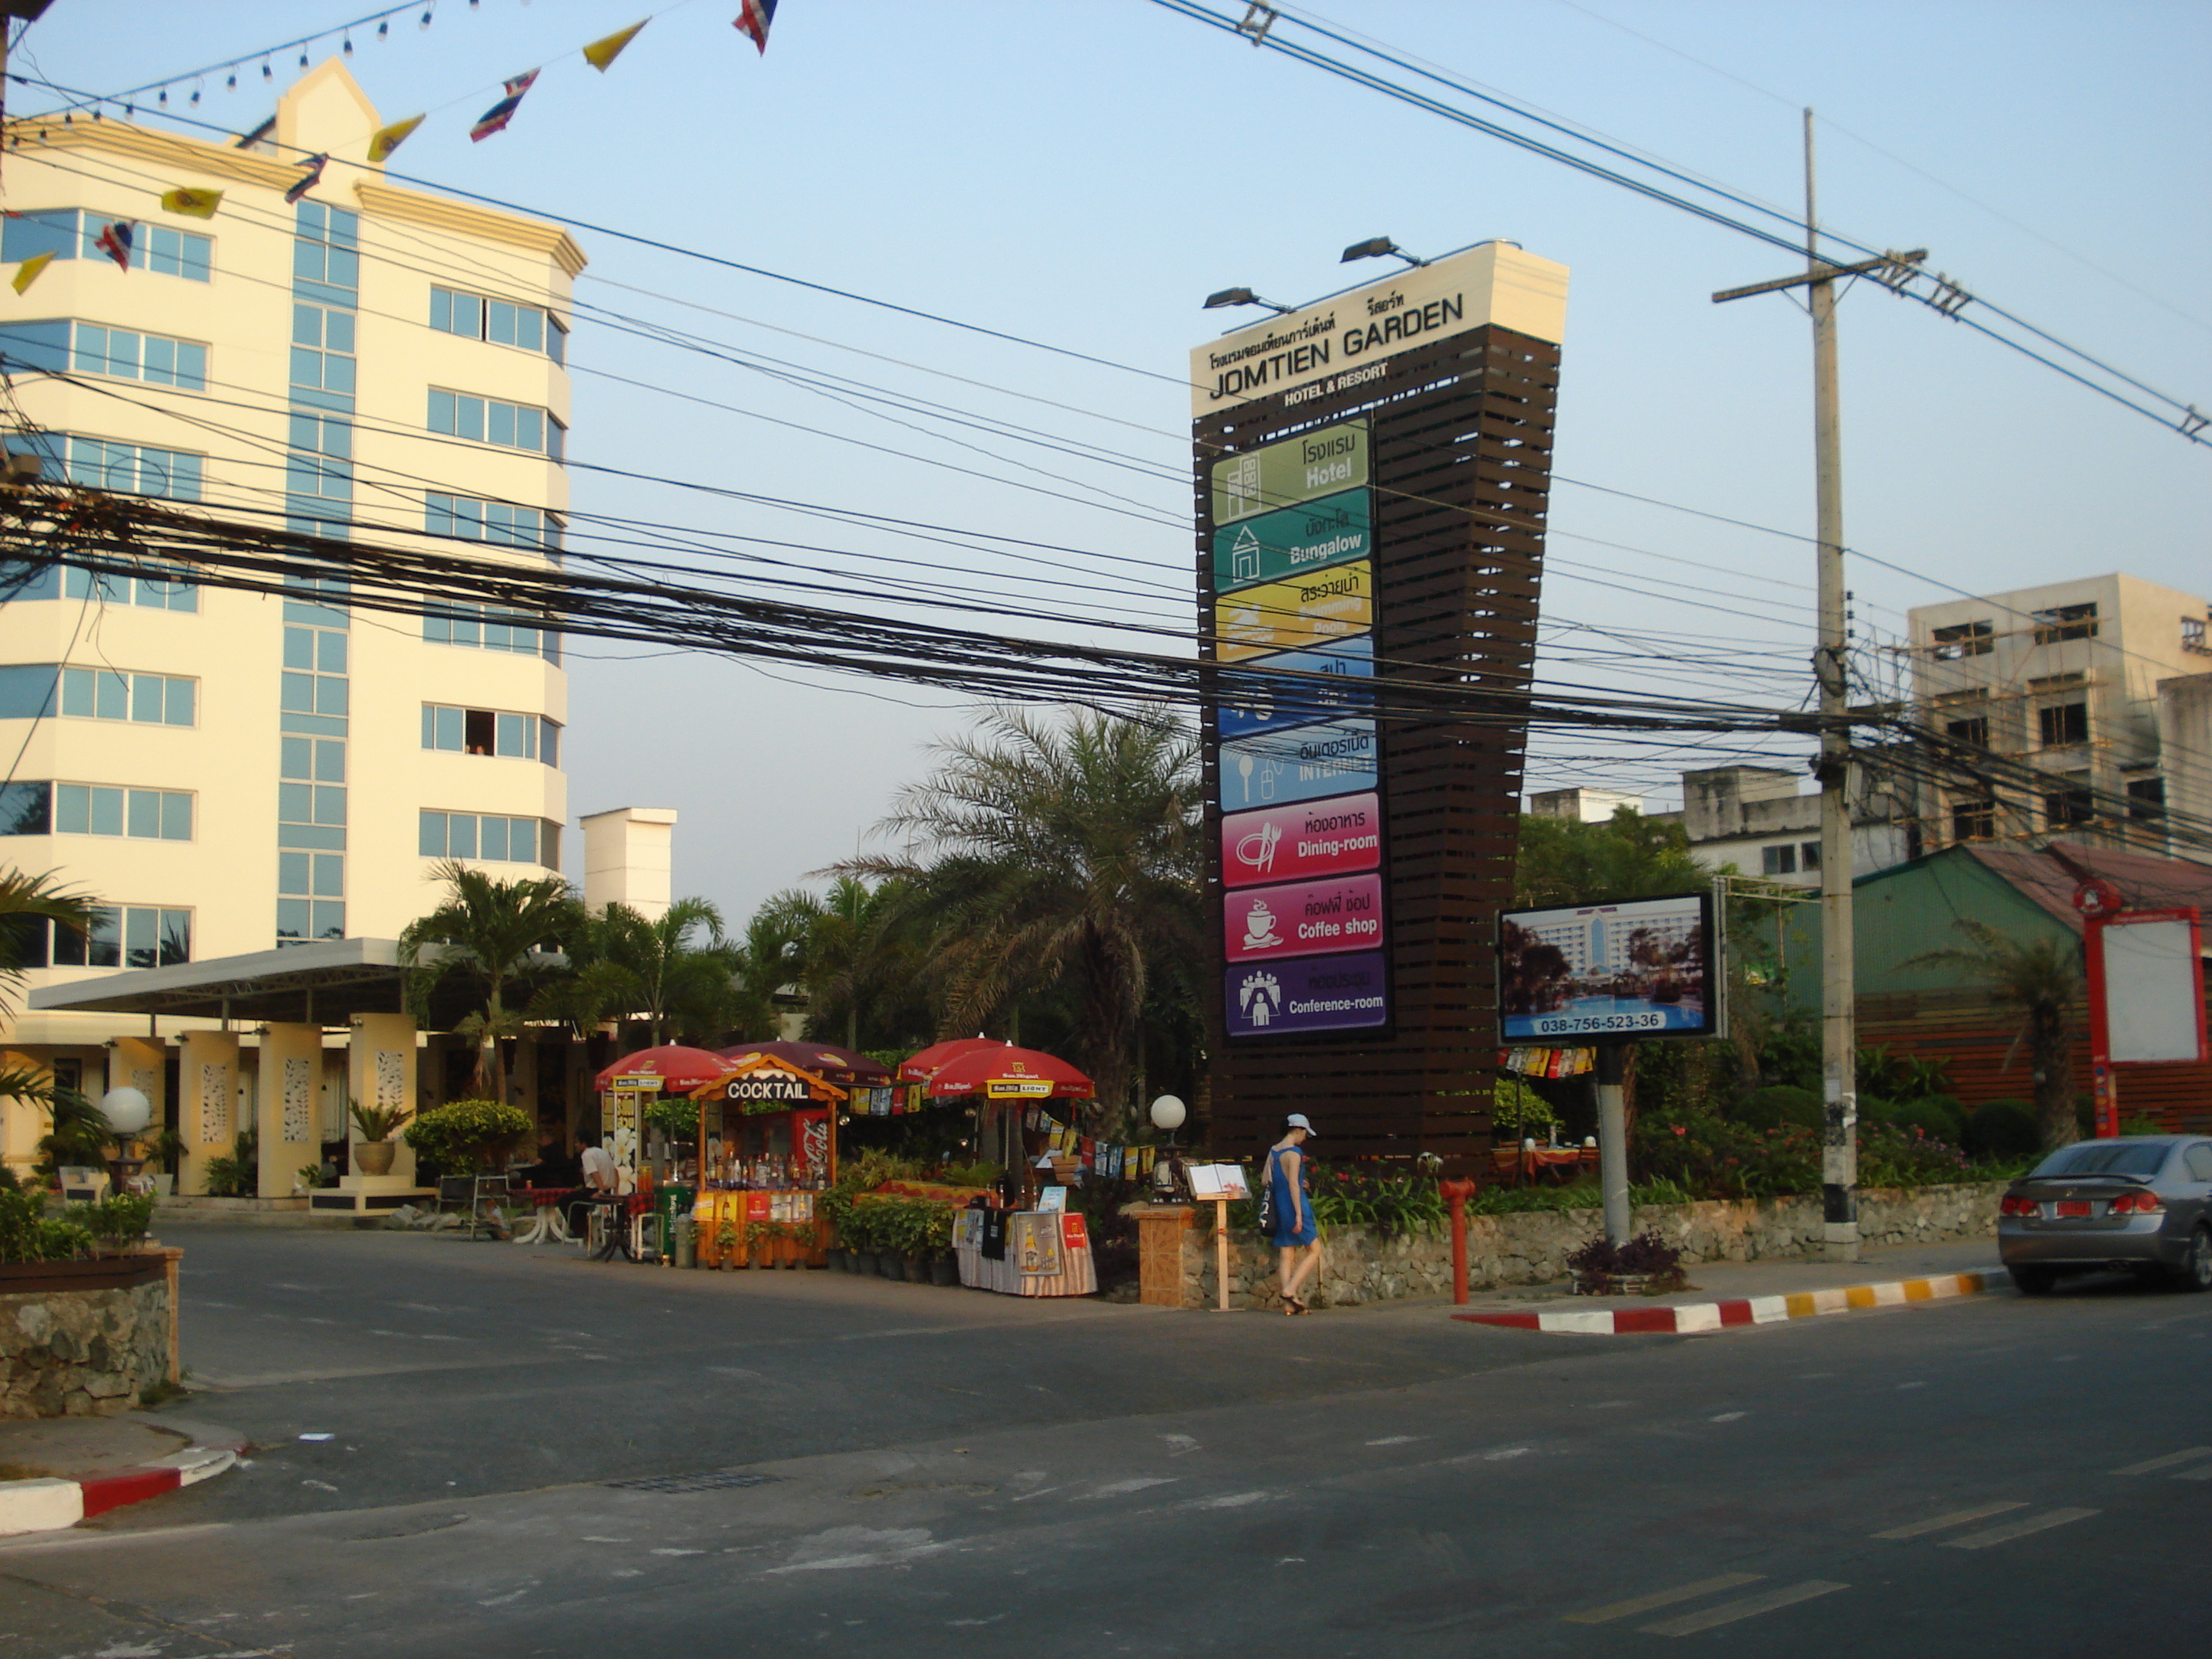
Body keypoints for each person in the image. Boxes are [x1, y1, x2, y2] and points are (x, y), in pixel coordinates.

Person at [1264, 1113, 1323, 1314]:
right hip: (1295, 1204)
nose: (1305, 1137)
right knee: (1314, 1249)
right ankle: (1290, 1291)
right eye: (1305, 1132)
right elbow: (1293, 1186)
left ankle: (1289, 1305)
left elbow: (1266, 1180)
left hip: (1279, 1205)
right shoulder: (1295, 1152)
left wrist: (1296, 1181)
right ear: (1298, 1130)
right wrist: (1299, 1214)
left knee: (1286, 1252)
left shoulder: (1274, 1151)